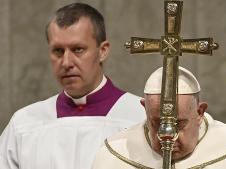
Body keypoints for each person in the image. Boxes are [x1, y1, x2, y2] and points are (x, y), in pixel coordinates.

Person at [0, 3, 145, 169]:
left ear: (103, 51)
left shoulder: (141, 118)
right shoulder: (24, 124)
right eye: (58, 51)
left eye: (78, 49)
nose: (66, 62)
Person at [92, 67, 226, 169]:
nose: (167, 135)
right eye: (157, 123)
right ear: (144, 108)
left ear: (199, 112)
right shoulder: (113, 155)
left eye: (178, 124)